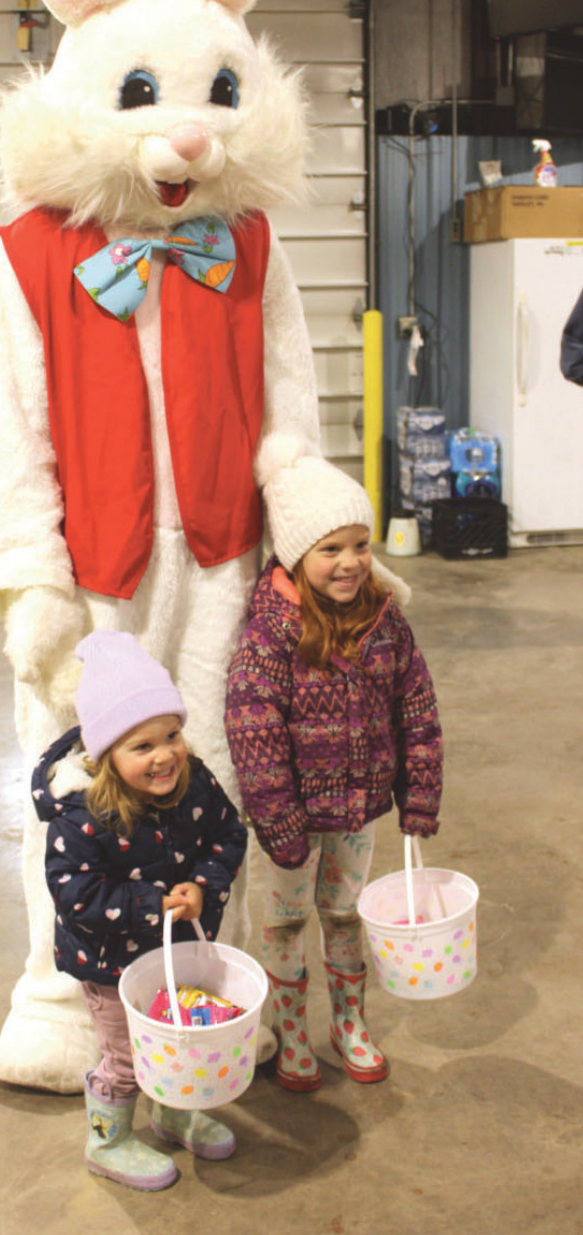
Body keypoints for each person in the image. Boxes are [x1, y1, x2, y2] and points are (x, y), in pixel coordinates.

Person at [224, 453, 443, 1092]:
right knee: (288, 920)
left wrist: (419, 796)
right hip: (293, 825)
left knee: (345, 914)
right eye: (330, 549)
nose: (350, 562)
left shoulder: (386, 623)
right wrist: (279, 821)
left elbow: (418, 710)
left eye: (360, 546)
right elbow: (253, 732)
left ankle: (349, 1024)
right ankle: (292, 1032)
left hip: (359, 814)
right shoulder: (269, 636)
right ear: (295, 555)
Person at [32, 629, 248, 1191]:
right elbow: (77, 894)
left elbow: (227, 835)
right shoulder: (80, 818)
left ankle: (174, 1111)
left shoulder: (194, 783)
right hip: (111, 967)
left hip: (177, 954)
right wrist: (153, 905)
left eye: (171, 735)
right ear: (104, 754)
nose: (165, 756)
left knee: (179, 1038)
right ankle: (109, 1141)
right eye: (142, 746)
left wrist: (203, 884)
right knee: (127, 1058)